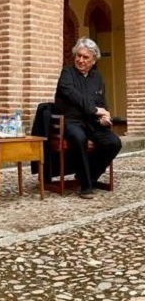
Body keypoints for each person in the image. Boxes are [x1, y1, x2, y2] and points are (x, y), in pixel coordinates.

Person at [54, 37, 121, 199]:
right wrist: (95, 110)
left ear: (93, 61)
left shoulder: (97, 77)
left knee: (114, 143)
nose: (81, 60)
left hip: (93, 122)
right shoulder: (67, 73)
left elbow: (101, 101)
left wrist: (105, 115)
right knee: (79, 137)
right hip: (72, 121)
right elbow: (74, 96)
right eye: (79, 56)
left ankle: (89, 176)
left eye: (86, 57)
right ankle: (85, 186)